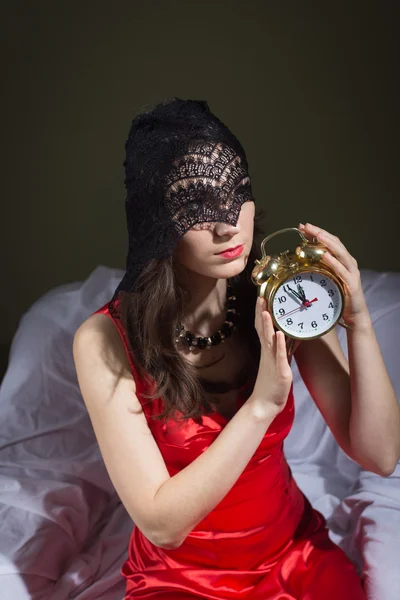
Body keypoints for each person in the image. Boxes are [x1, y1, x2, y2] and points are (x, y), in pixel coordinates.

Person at [73, 98, 368, 598]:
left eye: (237, 194)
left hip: (294, 557)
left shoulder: (282, 295)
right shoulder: (104, 339)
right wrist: (261, 406)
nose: (228, 225)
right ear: (156, 221)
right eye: (196, 207)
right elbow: (162, 525)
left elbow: (380, 455)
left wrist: (358, 323)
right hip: (181, 580)